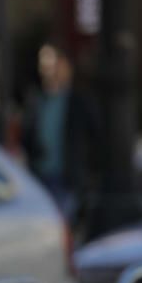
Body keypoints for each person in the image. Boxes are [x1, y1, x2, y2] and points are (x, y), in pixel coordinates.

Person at [21, 41, 102, 236]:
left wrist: (87, 172)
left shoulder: (79, 100)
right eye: (44, 65)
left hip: (68, 179)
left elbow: (97, 138)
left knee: (60, 228)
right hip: (41, 177)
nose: (47, 70)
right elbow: (27, 136)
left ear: (65, 66)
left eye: (53, 64)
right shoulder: (37, 99)